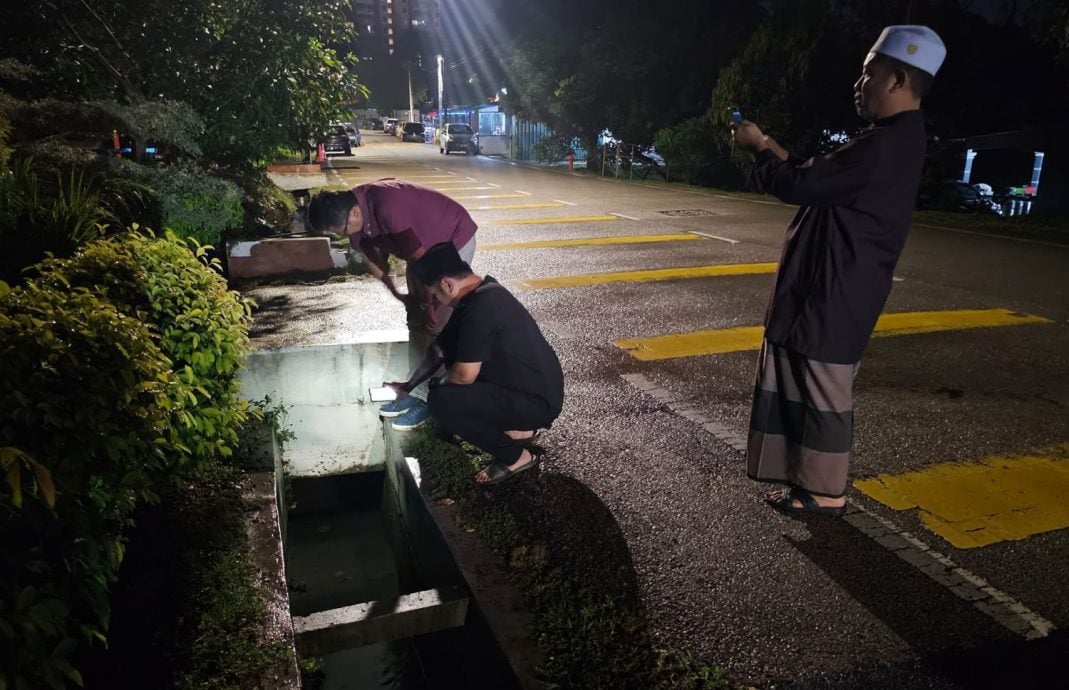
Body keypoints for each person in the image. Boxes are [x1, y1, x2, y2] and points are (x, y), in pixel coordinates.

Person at [732, 25, 946, 516]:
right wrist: (777, 151)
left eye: (867, 72)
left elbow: (800, 185)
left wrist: (760, 145)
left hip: (836, 290)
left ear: (896, 80)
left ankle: (826, 492)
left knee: (824, 393)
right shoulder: (893, 139)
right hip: (835, 287)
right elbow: (818, 178)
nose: (859, 83)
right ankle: (808, 485)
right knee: (807, 388)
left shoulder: (884, 146)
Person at [377, 242, 565, 485]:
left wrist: (440, 385)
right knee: (448, 379)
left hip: (537, 402)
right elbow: (439, 350)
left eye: (434, 293)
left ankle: (516, 456)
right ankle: (519, 429)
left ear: (447, 284)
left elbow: (464, 375)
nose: (435, 300)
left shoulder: (482, 307)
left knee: (443, 401)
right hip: (533, 390)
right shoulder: (481, 292)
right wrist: (408, 385)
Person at [307, 179, 478, 334]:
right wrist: (397, 294)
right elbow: (373, 261)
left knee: (439, 317)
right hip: (420, 249)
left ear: (354, 214)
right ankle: (422, 352)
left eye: (343, 231)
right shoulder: (353, 216)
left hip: (451, 237)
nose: (346, 235)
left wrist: (429, 306)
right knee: (415, 315)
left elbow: (424, 263)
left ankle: (461, 355)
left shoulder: (386, 205)